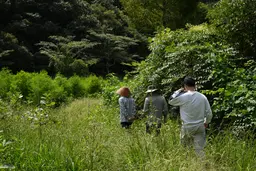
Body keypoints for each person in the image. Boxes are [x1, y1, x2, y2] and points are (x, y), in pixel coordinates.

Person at [169, 77, 212, 157]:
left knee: (185, 149)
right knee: (200, 150)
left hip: (187, 127)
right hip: (200, 126)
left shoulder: (183, 97)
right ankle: (202, 166)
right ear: (195, 85)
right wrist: (206, 122)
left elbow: (171, 101)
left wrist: (178, 90)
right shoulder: (202, 97)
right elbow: (209, 113)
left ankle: (187, 165)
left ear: (185, 86)